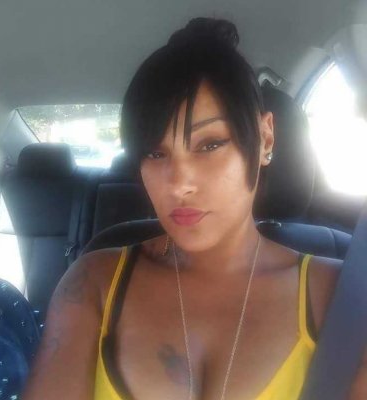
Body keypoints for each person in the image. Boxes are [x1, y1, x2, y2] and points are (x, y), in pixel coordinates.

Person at [22, 18, 367, 400]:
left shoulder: (343, 294)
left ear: (265, 138)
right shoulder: (94, 282)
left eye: (209, 144)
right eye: (156, 153)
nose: (178, 183)